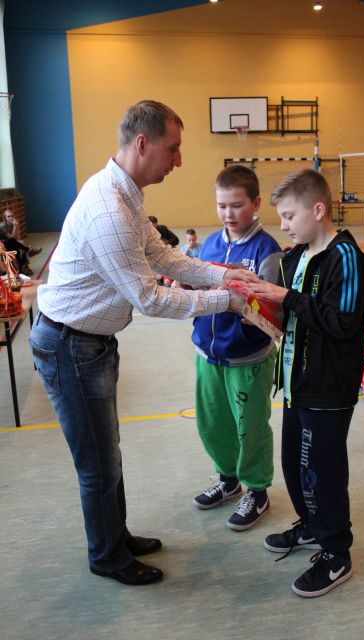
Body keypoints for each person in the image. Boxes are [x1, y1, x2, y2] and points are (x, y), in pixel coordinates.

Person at [29, 100, 257, 587]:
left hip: (89, 343)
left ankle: (116, 536)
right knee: (98, 463)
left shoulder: (126, 194)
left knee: (106, 453)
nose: (179, 160)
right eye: (172, 149)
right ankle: (107, 556)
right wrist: (228, 299)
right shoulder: (109, 209)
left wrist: (223, 274)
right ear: (141, 143)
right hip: (70, 347)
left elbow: (163, 255)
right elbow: (150, 298)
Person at [245, 168, 364, 598]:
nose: (283, 226)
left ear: (318, 210)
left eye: (289, 215)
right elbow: (292, 317)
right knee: (295, 467)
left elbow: (343, 322)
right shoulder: (295, 257)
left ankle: (337, 553)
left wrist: (288, 297)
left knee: (321, 471)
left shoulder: (346, 256)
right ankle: (314, 527)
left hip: (328, 389)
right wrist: (256, 304)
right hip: (297, 384)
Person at [191, 164, 282, 530]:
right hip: (207, 353)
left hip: (248, 358)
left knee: (250, 427)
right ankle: (228, 479)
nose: (228, 213)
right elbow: (199, 287)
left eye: (237, 205)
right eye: (222, 205)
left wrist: (255, 312)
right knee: (213, 423)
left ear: (256, 203)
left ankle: (257, 490)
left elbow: (274, 309)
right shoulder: (210, 244)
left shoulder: (267, 249)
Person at [0, 209, 35, 276]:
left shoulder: (13, 224)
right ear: (5, 218)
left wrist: (17, 226)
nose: (11, 218)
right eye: (8, 216)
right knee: (15, 243)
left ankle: (23, 267)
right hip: (3, 245)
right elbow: (12, 238)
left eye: (12, 216)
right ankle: (28, 250)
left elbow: (18, 238)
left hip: (11, 244)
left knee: (19, 244)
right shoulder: (2, 227)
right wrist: (15, 226)